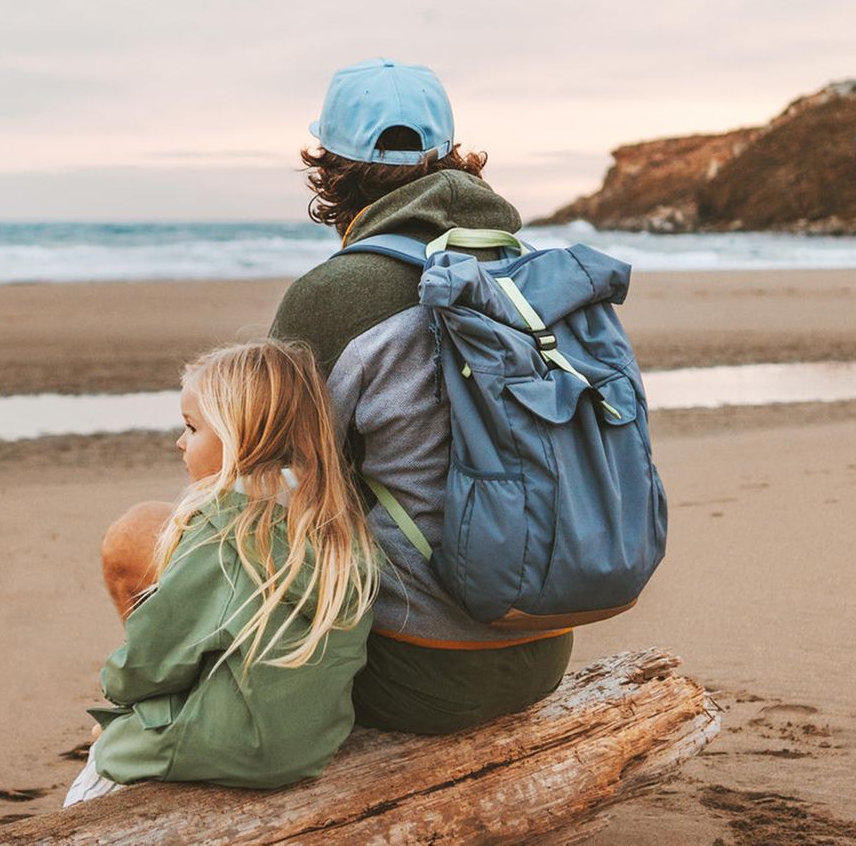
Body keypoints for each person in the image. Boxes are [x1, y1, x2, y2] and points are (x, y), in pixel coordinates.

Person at [267, 57, 573, 734]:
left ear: (329, 167)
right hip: (545, 642)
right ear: (453, 159)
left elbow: (264, 470)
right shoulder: (528, 272)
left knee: (152, 537)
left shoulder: (332, 298)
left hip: (416, 672)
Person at [66, 340, 378, 805]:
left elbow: (155, 655)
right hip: (310, 743)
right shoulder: (336, 527)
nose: (179, 441)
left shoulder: (225, 534)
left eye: (191, 428)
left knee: (105, 755)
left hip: (234, 745)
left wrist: (117, 697)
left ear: (239, 438)